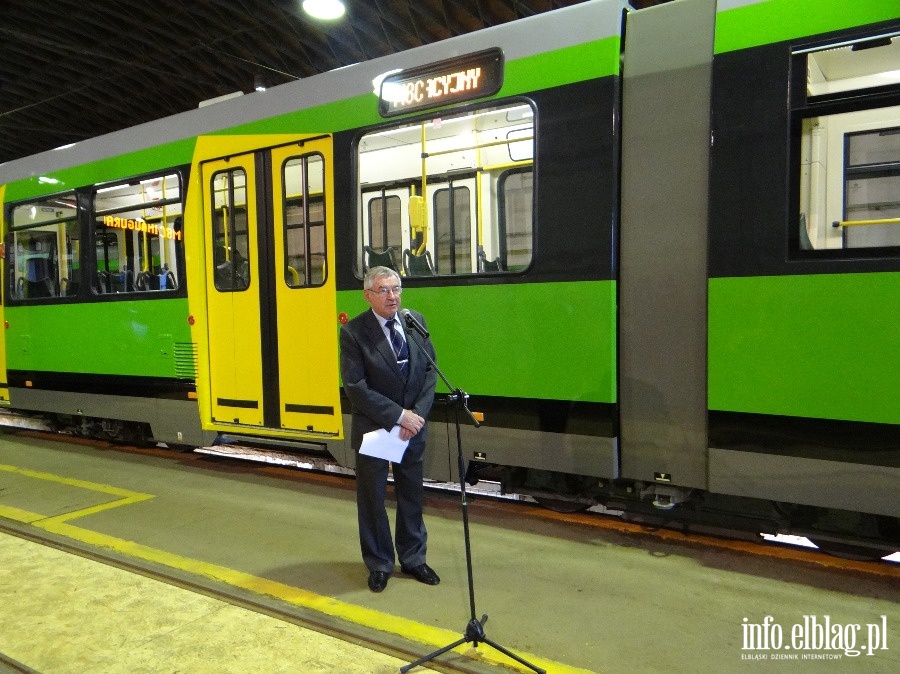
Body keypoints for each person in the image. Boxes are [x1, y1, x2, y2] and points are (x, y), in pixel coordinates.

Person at [339, 266, 439, 593]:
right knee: (373, 499)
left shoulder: (415, 321)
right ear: (368, 295)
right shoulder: (355, 332)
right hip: (379, 429)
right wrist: (400, 416)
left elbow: (429, 373)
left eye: (396, 288)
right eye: (383, 290)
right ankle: (380, 563)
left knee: (412, 494)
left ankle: (413, 558)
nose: (392, 296)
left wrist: (416, 417)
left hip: (412, 429)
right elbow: (356, 387)